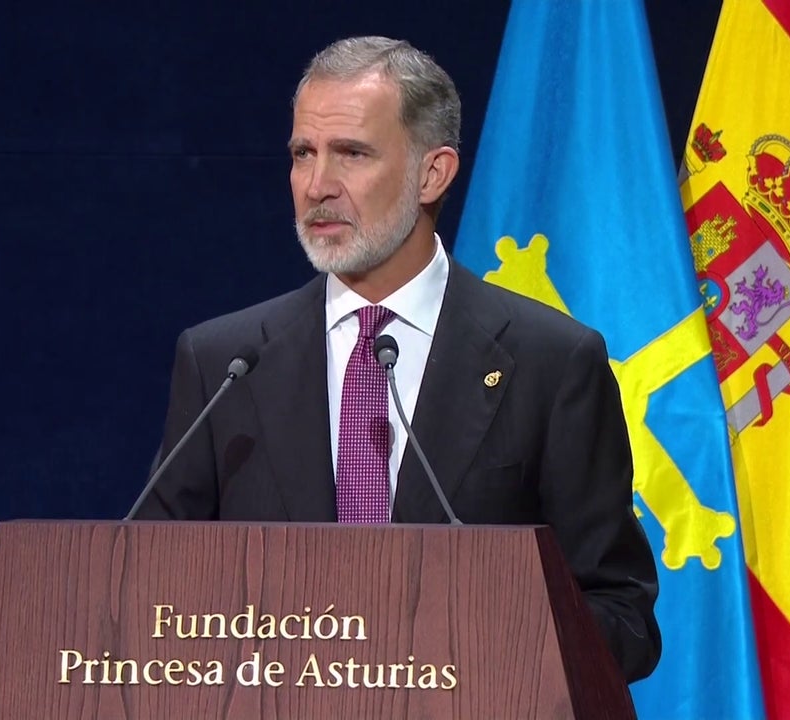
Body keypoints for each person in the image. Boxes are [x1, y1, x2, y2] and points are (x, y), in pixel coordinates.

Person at [134, 36, 660, 682]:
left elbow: (623, 618)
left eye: (351, 153)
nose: (317, 186)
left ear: (432, 173)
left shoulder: (552, 364)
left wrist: (482, 638)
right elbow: (144, 588)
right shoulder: (224, 363)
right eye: (303, 154)